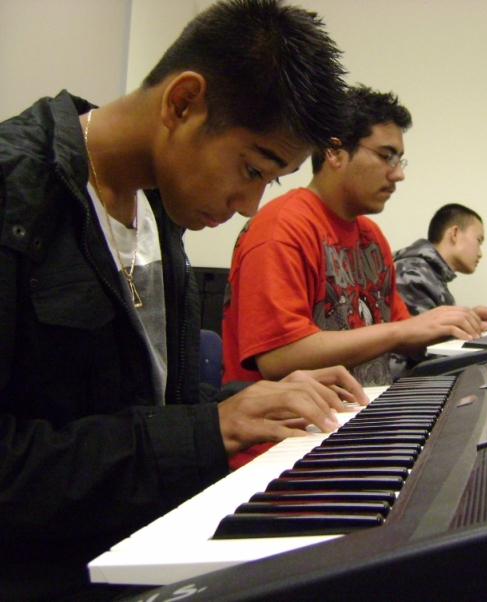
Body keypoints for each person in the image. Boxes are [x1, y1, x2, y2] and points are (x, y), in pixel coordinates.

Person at [0, 1, 368, 600]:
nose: (250, 205)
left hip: (140, 551)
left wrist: (250, 403)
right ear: (182, 102)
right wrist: (205, 430)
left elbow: (140, 407)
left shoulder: (160, 206)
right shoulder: (15, 192)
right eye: (251, 167)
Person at [222, 85, 485, 393]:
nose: (398, 174)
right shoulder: (281, 228)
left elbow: (403, 329)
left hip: (357, 420)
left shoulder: (371, 237)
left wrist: (468, 320)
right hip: (293, 435)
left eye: (400, 160)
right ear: (334, 151)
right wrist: (402, 332)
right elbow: (278, 357)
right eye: (387, 157)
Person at [394, 203, 487, 330]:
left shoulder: (427, 273)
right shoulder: (411, 272)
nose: (480, 253)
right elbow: (421, 347)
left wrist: (475, 319)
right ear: (455, 234)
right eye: (478, 240)